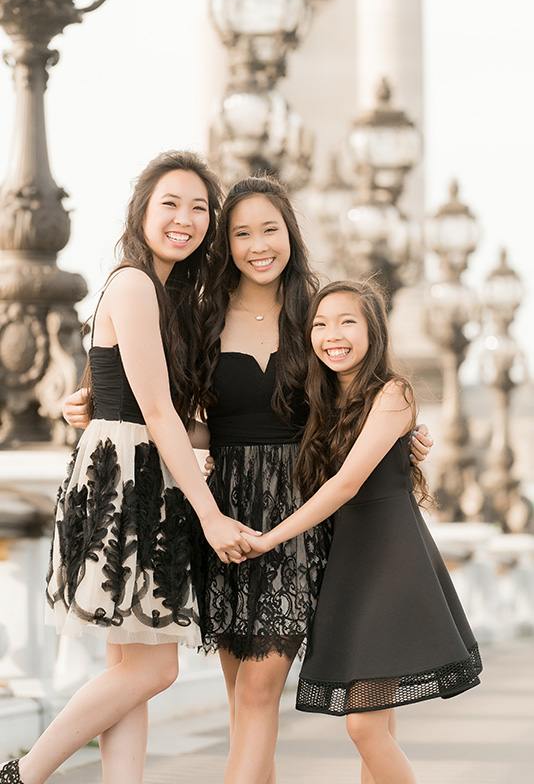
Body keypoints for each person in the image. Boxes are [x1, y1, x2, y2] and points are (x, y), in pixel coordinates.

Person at [61, 175, 433, 784]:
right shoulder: (197, 313)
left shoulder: (314, 310)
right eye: (241, 232)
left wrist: (406, 431)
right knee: (244, 707)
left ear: (291, 234)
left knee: (262, 697)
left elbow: (361, 384)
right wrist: (86, 405)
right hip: (221, 507)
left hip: (297, 509)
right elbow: (163, 404)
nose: (258, 245)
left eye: (271, 229)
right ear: (223, 243)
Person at [0, 150, 258, 784]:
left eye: (200, 208)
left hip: (135, 468)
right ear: (141, 209)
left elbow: (140, 407)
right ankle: (25, 772)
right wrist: (211, 514)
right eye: (170, 203)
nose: (185, 218)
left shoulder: (164, 292)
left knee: (131, 670)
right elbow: (161, 416)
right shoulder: (137, 282)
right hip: (131, 480)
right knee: (155, 668)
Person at [244, 279, 482, 784]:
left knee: (363, 728)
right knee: (379, 726)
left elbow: (347, 484)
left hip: (391, 563)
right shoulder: (321, 401)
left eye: (347, 321)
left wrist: (270, 538)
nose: (333, 334)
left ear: (373, 330)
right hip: (349, 567)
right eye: (320, 324)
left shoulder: (393, 393)